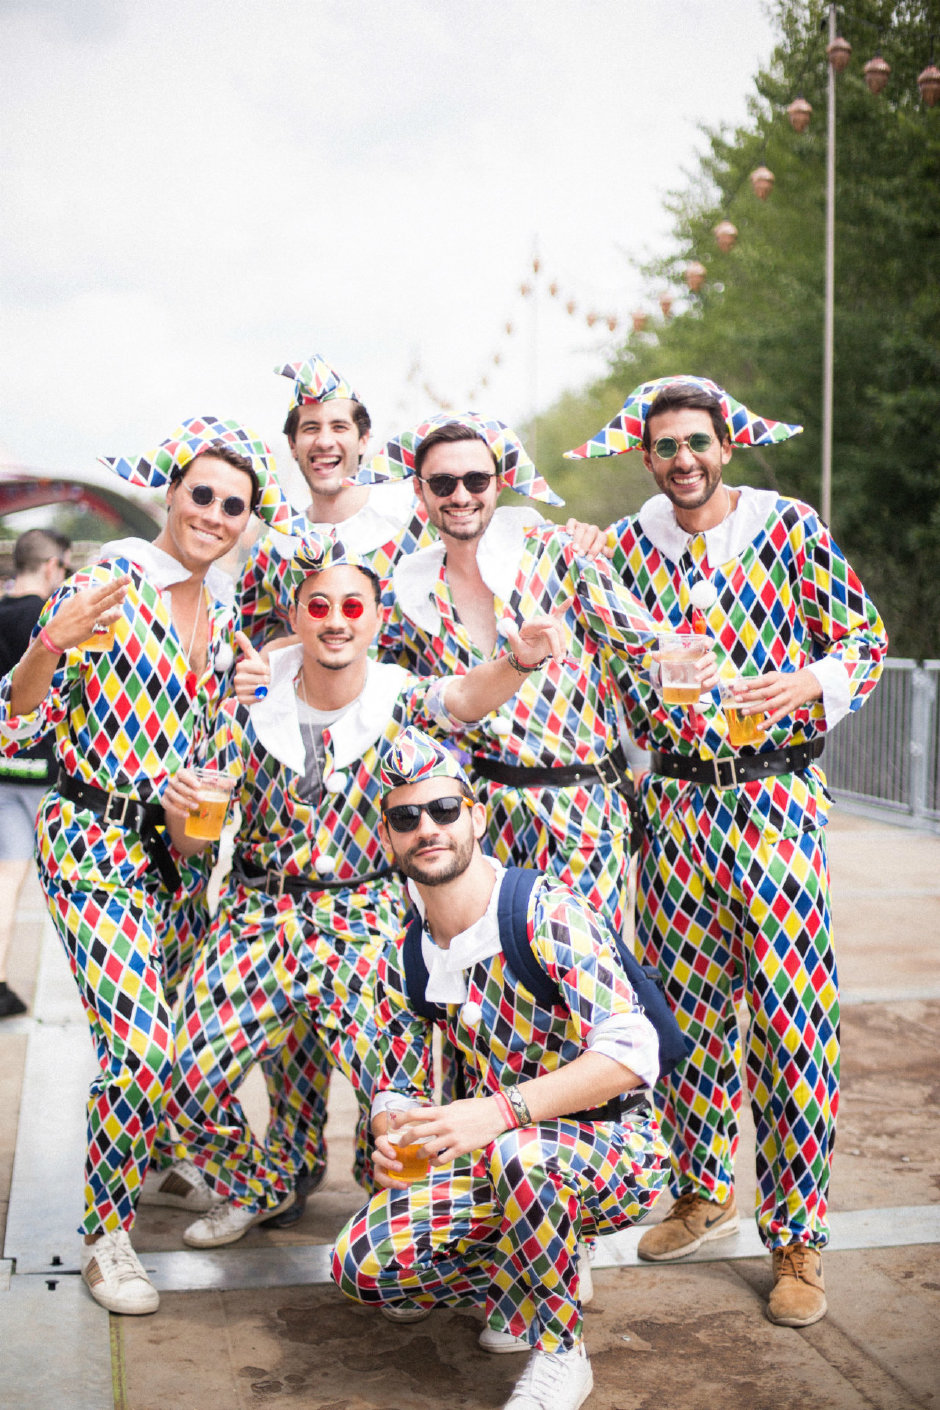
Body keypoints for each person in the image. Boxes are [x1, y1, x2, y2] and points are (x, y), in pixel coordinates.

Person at [566, 374, 888, 1327]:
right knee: (687, 1018)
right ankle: (705, 1192)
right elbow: (587, 638)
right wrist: (570, 546)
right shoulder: (624, 548)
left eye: (697, 442)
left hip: (775, 799)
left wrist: (808, 682)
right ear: (646, 454)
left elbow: (865, 641)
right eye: (665, 447)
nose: (683, 461)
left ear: (726, 443)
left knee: (793, 1022)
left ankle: (799, 1240)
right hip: (672, 808)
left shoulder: (787, 528)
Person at [161, 532, 569, 1250]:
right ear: (297, 615)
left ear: (377, 618)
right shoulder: (244, 708)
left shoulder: (397, 698)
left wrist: (519, 659)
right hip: (259, 913)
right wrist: (179, 811)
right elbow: (194, 841)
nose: (337, 618)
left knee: (402, 1095)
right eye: (319, 605)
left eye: (353, 604)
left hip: (366, 915)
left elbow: (464, 698)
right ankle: (253, 1187)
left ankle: (405, 1229)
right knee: (179, 1074)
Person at [0, 416, 304, 1316]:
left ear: (249, 519)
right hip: (94, 842)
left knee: (168, 1038)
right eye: (201, 494)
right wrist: (46, 646)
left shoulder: (221, 609)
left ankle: (162, 1159)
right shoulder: (118, 575)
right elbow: (18, 719)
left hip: (179, 860)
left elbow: (203, 747)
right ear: (173, 494)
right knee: (139, 1049)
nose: (213, 513)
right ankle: (107, 1236)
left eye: (233, 504)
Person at [331, 727, 669, 1410]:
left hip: (615, 1151)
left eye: (444, 810)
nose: (427, 828)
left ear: (476, 816)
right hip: (499, 1159)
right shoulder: (407, 957)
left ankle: (559, 1351)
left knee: (523, 1149)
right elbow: (396, 1081)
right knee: (361, 1266)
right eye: (405, 818)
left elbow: (635, 1054)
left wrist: (499, 1110)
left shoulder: (546, 913)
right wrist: (393, 1126)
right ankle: (541, 1265)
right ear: (388, 840)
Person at [362, 411, 678, 940]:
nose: (460, 495)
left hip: (584, 815)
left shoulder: (559, 553)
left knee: (583, 972)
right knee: (496, 980)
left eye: (475, 480)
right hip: (484, 820)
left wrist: (674, 741)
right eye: (442, 482)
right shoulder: (409, 594)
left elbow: (644, 648)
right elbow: (378, 687)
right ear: (421, 492)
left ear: (499, 482)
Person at [238, 353, 436, 648]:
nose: (325, 441)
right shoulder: (273, 551)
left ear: (363, 440)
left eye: (339, 427)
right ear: (292, 445)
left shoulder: (420, 527)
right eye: (311, 428)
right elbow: (247, 650)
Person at [0, 528, 71, 1017]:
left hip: (3, 768)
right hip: (49, 771)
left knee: (7, 879)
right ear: (51, 567)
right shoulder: (47, 622)